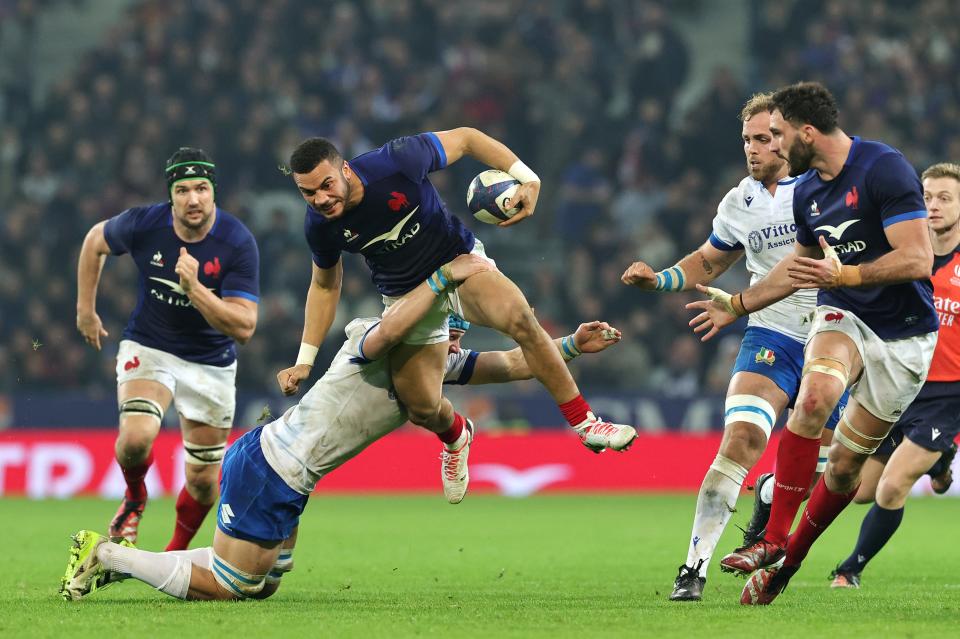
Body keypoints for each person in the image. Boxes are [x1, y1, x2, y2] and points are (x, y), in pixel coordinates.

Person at [59, 254, 623, 602]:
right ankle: (109, 555)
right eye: (450, 331)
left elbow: (514, 362)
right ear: (431, 323)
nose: (456, 345)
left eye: (457, 335)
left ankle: (153, 562)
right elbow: (381, 338)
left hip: (284, 471)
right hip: (272, 469)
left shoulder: (432, 363)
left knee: (267, 582)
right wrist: (442, 276)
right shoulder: (378, 338)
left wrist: (572, 344)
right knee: (235, 586)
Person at [277, 129, 637, 503]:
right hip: (407, 297)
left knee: (520, 319)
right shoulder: (319, 225)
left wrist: (529, 178)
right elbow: (324, 286)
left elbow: (466, 138)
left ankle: (585, 423)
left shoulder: (397, 160)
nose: (320, 199)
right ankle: (456, 435)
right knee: (420, 407)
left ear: (346, 170)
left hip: (458, 262)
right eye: (308, 192)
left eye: (326, 185)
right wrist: (305, 360)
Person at [687, 82, 937, 606]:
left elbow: (917, 260)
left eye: (777, 134)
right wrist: (739, 304)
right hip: (842, 313)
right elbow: (794, 270)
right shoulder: (807, 191)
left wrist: (847, 273)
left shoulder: (882, 168)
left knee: (846, 469)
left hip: (905, 334)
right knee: (816, 396)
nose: (773, 146)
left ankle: (789, 560)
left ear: (805, 132)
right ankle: (772, 537)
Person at [622, 92, 846, 602]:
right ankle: (693, 568)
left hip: (835, 334)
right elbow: (709, 262)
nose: (753, 148)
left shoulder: (825, 189)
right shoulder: (739, 200)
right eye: (747, 139)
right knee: (741, 439)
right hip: (770, 333)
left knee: (832, 471)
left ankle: (770, 495)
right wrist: (657, 281)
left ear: (789, 137)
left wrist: (739, 302)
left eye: (764, 138)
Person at [75, 148, 260, 550]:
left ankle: (172, 554)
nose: (193, 199)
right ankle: (134, 497)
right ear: (170, 195)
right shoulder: (144, 223)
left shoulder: (236, 241)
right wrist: (85, 311)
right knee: (136, 438)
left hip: (211, 362)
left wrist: (195, 290)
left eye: (201, 189)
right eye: (182, 190)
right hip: (150, 344)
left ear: (214, 192)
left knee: (204, 482)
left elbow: (244, 328)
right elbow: (94, 241)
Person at [828, 162, 960, 589]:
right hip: (899, 381)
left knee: (891, 487)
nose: (934, 206)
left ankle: (850, 570)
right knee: (861, 489)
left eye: (945, 198)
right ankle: (939, 460)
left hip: (947, 396)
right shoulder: (899, 251)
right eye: (927, 196)